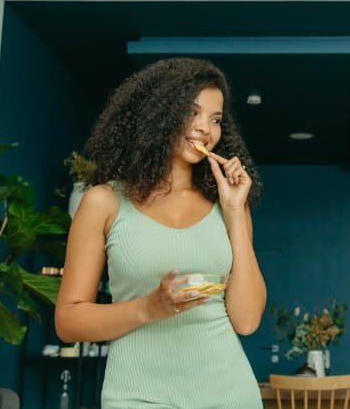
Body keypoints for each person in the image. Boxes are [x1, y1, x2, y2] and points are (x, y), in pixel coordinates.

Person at [55, 58, 266, 409]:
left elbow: (246, 321)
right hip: (137, 396)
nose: (205, 129)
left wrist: (233, 212)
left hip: (228, 395)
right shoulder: (103, 202)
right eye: (192, 113)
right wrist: (148, 308)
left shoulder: (227, 204)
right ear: (160, 113)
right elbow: (68, 321)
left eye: (215, 120)